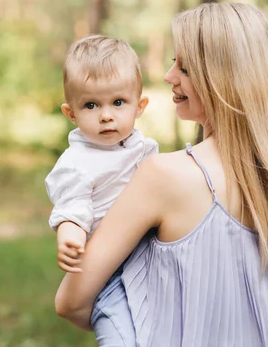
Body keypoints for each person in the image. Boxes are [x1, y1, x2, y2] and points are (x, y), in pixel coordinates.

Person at [54, 2, 268, 346]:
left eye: (185, 67)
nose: (169, 77)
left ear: (222, 79)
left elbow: (71, 302)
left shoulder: (165, 176)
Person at [45, 35, 158, 346]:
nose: (106, 115)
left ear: (140, 106)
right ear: (71, 113)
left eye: (118, 102)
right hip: (109, 274)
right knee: (120, 335)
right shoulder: (77, 163)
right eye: (91, 105)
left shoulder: (143, 148)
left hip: (151, 263)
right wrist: (70, 233)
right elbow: (72, 204)